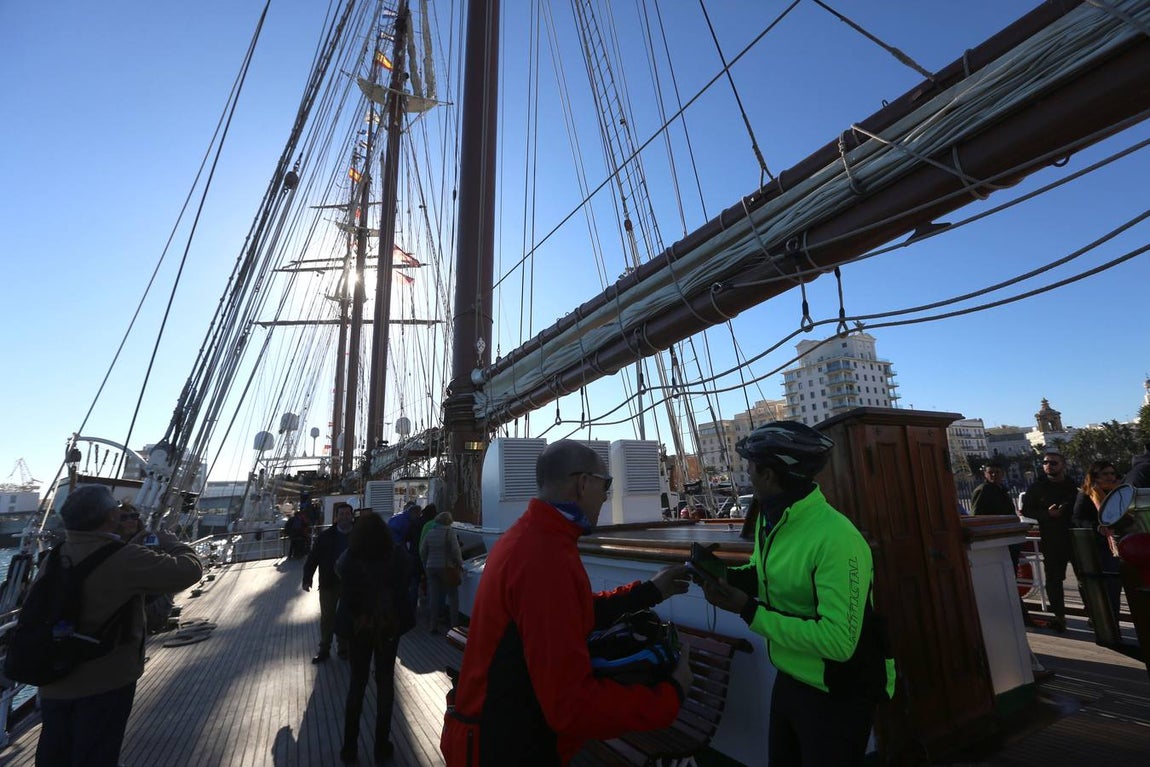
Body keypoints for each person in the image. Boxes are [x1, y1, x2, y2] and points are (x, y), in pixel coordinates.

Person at [441, 439, 693, 766]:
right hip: (509, 748)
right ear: (583, 483)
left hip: (497, 731)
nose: (607, 495)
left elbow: (571, 613)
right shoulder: (543, 557)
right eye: (607, 485)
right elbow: (568, 707)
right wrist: (671, 695)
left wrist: (650, 592)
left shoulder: (531, 537)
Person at [699, 421, 894, 767]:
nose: (748, 474)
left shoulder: (836, 539)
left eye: (751, 467)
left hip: (839, 691)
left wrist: (748, 611)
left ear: (769, 474)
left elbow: (838, 642)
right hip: (792, 677)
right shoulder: (772, 520)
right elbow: (764, 574)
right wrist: (719, 573)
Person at [35, 485, 202, 767]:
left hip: (54, 679)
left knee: (55, 753)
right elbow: (189, 570)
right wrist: (173, 542)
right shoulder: (123, 557)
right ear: (109, 517)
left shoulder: (53, 556)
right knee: (97, 752)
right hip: (105, 679)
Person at [335, 510, 415, 764]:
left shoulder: (351, 557)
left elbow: (340, 573)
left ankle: (349, 748)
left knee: (357, 685)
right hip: (388, 626)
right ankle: (382, 744)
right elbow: (406, 580)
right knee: (385, 683)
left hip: (360, 627)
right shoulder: (396, 555)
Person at [1021, 451, 1080, 632]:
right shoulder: (1037, 488)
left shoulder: (1073, 486)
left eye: (1053, 463)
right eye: (1045, 462)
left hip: (1075, 537)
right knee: (1054, 579)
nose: (1049, 465)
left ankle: (1094, 614)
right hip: (1052, 539)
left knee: (1084, 577)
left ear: (1063, 465)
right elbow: (1026, 510)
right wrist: (1047, 514)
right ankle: (1059, 617)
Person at [972, 460, 1034, 625]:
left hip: (1007, 542)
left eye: (996, 472)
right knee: (1005, 580)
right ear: (985, 474)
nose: (993, 475)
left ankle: (1018, 614)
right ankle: (1017, 615)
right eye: (990, 472)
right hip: (997, 544)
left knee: (1009, 579)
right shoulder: (984, 491)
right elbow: (976, 517)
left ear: (1002, 474)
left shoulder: (1000, 490)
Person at [1071, 460, 1123, 626]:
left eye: (1112, 473)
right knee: (1107, 586)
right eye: (1105, 474)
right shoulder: (1087, 494)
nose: (1110, 477)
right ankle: (1105, 622)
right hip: (1098, 546)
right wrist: (1097, 528)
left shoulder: (1118, 493)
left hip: (1118, 543)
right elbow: (1078, 518)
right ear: (1095, 476)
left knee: (1116, 586)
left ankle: (1112, 620)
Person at [303, 501, 354, 663]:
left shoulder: (359, 536)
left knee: (347, 616)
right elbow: (313, 558)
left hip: (351, 584)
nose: (344, 517)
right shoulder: (325, 536)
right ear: (336, 517)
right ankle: (324, 648)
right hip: (329, 582)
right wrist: (307, 578)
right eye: (341, 514)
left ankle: (343, 647)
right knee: (327, 617)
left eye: (347, 514)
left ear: (352, 516)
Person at [420, 509, 462, 633]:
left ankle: (433, 625)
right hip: (446, 568)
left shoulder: (430, 533)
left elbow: (423, 551)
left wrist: (426, 564)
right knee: (453, 596)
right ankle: (454, 625)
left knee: (433, 596)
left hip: (431, 567)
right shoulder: (450, 532)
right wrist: (460, 563)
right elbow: (456, 551)